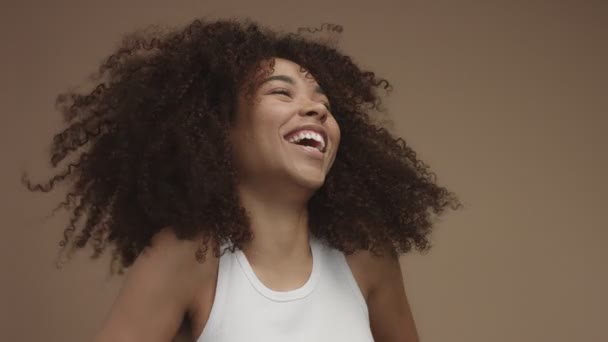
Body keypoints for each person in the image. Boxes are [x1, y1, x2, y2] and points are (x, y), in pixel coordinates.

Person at [23, 18, 461, 342]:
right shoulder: (187, 257)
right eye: (281, 92)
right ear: (219, 131)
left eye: (323, 102)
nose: (317, 110)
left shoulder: (367, 256)